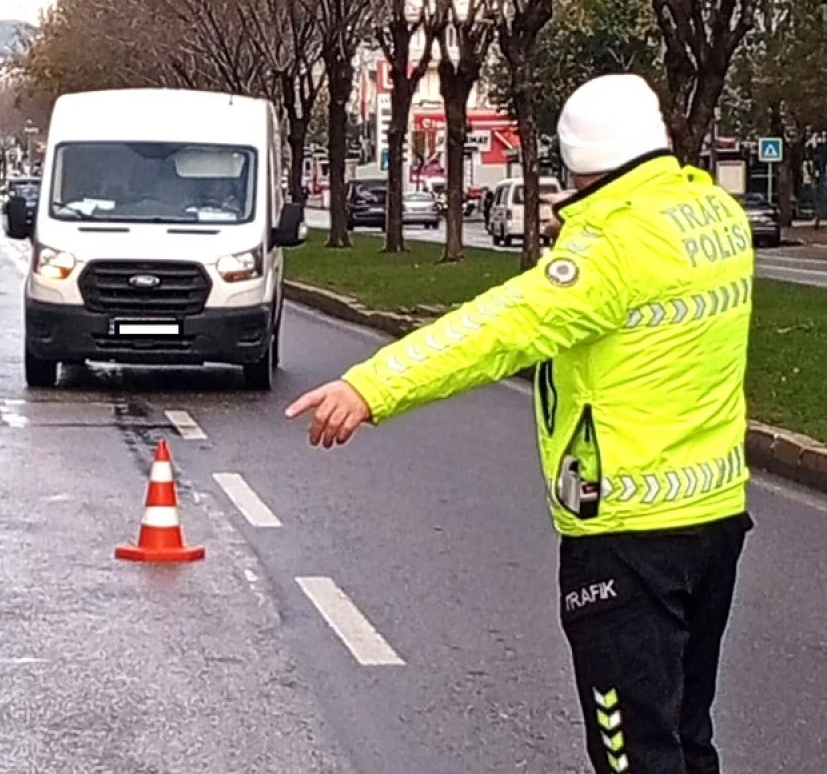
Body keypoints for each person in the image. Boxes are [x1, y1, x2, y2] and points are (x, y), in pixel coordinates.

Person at [286, 74, 754, 774]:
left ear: (575, 163)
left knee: (633, 753)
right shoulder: (716, 216)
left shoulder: (608, 253)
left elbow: (498, 328)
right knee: (688, 735)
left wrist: (370, 384)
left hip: (626, 535)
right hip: (713, 518)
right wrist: (590, 218)